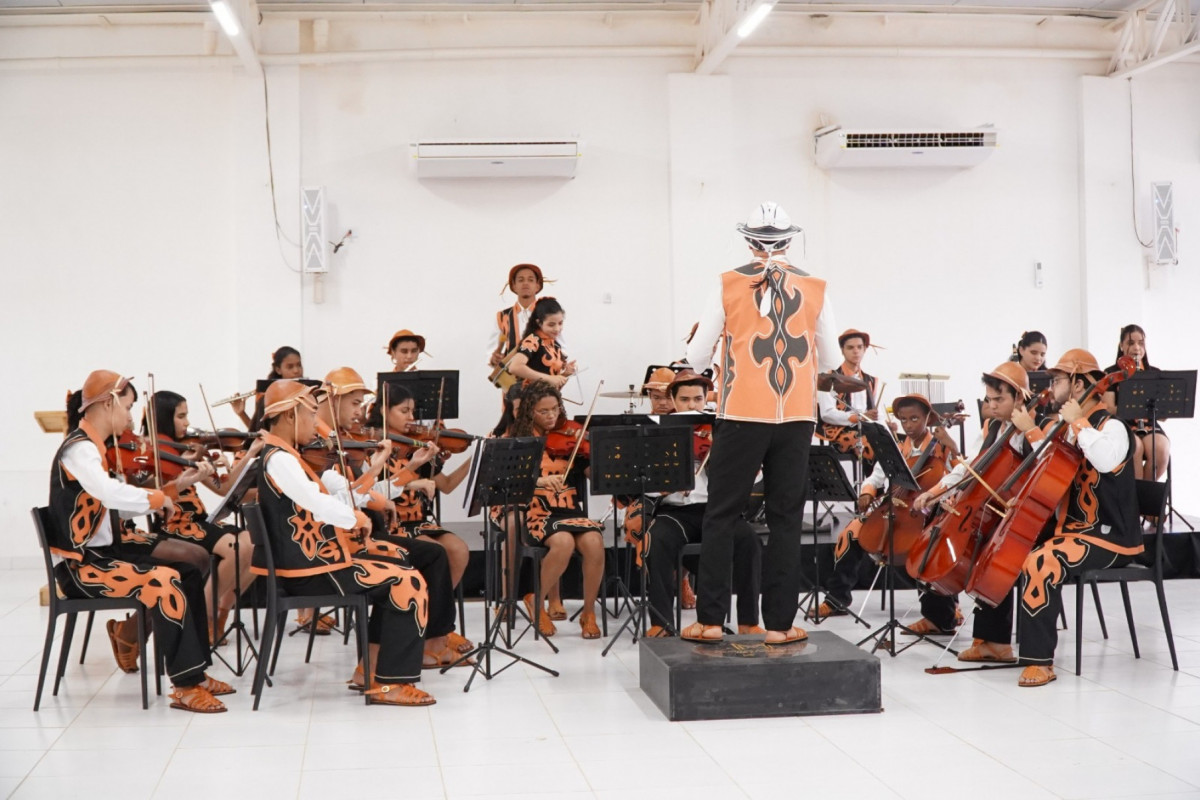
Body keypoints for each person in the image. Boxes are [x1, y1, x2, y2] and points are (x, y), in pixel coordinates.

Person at [684, 201, 839, 645]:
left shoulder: (728, 283)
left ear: (749, 240)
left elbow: (695, 358)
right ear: (789, 239)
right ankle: (779, 625)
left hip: (740, 413)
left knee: (721, 514)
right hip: (794, 417)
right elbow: (828, 358)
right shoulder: (815, 287)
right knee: (787, 518)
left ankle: (711, 620)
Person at [50, 371, 232, 713]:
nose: (132, 417)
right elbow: (108, 493)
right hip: (82, 565)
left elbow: (115, 503)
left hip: (104, 551)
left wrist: (167, 491)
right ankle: (185, 686)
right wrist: (155, 498)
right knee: (164, 580)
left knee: (189, 568)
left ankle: (197, 673)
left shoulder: (96, 448)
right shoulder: (79, 449)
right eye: (129, 407)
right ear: (108, 403)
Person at [252, 379, 435, 705]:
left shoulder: (284, 455)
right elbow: (316, 503)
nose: (317, 426)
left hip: (314, 562)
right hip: (309, 571)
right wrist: (357, 519)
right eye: (311, 416)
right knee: (407, 581)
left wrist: (367, 487)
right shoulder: (280, 458)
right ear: (292, 416)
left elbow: (328, 497)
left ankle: (372, 669)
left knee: (397, 556)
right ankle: (389, 684)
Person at [1008, 348, 1143, 687]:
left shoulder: (1114, 427)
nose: (1050, 387)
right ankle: (993, 642)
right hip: (1072, 530)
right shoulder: (1067, 427)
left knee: (1043, 561)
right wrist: (1031, 430)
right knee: (1011, 547)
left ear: (1079, 383)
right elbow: (1050, 466)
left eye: (1056, 380)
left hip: (1109, 536)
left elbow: (1103, 461)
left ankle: (1040, 661)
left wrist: (1078, 422)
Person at [913, 361, 1035, 663]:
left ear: (1019, 398)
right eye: (989, 400)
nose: (991, 407)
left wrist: (1030, 431)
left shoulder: (1035, 427)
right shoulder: (995, 427)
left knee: (995, 552)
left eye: (999, 400)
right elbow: (971, 467)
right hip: (998, 509)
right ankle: (987, 637)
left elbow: (1043, 467)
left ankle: (996, 641)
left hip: (1029, 515)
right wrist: (938, 491)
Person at [817, 395, 959, 631]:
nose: (909, 425)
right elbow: (877, 474)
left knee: (929, 545)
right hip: (895, 506)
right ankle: (836, 599)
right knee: (851, 532)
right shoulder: (898, 445)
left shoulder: (941, 444)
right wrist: (867, 492)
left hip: (931, 510)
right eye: (903, 420)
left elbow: (962, 472)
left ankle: (947, 609)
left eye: (915, 419)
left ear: (927, 418)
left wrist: (952, 447)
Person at [642, 370, 763, 637]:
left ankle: (748, 621)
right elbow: (646, 489)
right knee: (656, 541)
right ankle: (661, 622)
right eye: (684, 400)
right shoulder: (659, 431)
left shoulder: (722, 429)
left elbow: (755, 475)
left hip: (717, 510)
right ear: (673, 400)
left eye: (697, 399)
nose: (692, 406)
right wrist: (665, 483)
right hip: (676, 512)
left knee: (749, 541)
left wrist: (734, 465)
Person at [146, 390, 261, 644]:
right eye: (181, 416)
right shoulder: (153, 452)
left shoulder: (187, 448)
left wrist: (250, 453)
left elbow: (225, 487)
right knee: (239, 549)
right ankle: (205, 616)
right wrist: (182, 465)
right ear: (164, 418)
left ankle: (220, 616)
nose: (187, 423)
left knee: (255, 546)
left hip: (199, 520)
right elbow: (151, 489)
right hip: (176, 525)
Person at [499, 381, 605, 639]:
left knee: (594, 541)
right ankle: (537, 600)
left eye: (555, 410)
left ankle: (588, 612)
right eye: (543, 411)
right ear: (528, 412)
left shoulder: (570, 436)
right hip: (537, 509)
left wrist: (600, 456)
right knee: (563, 542)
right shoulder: (518, 441)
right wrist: (539, 481)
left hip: (567, 506)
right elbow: (507, 483)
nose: (551, 417)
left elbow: (594, 476)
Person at [1107, 324, 1169, 481]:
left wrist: (1158, 409)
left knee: (1160, 450)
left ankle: (1145, 495)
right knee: (1135, 449)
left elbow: (1163, 416)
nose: (1136, 348)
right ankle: (1134, 499)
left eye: (1141, 344)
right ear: (1121, 346)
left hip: (1148, 423)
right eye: (1130, 343)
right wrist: (1131, 406)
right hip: (1122, 423)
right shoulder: (1111, 373)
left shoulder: (1154, 373)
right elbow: (1107, 409)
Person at [817, 329, 880, 470]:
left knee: (896, 443)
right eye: (850, 347)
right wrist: (857, 418)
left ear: (865, 349)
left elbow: (874, 413)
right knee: (872, 445)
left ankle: (885, 490)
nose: (856, 351)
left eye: (859, 347)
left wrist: (886, 425)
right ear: (842, 350)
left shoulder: (871, 381)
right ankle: (870, 490)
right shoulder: (829, 379)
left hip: (865, 430)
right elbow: (826, 414)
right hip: (838, 432)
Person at [505, 297, 577, 390]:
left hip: (548, 401)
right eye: (551, 324)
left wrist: (564, 374)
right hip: (531, 401)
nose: (557, 329)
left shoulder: (554, 344)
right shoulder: (532, 340)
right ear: (539, 323)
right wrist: (549, 378)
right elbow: (514, 367)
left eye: (560, 323)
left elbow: (551, 383)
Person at [488, 263, 548, 371]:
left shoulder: (548, 315)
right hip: (511, 381)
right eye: (520, 280)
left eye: (530, 280)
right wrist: (494, 358)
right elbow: (492, 351)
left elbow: (561, 350)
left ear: (537, 285)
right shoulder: (502, 317)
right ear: (514, 286)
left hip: (542, 379)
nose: (525, 283)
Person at [242, 346, 304, 431]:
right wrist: (241, 413)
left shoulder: (308, 392)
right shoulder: (266, 396)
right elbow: (259, 431)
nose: (296, 370)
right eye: (290, 367)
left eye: (299, 365)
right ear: (278, 369)